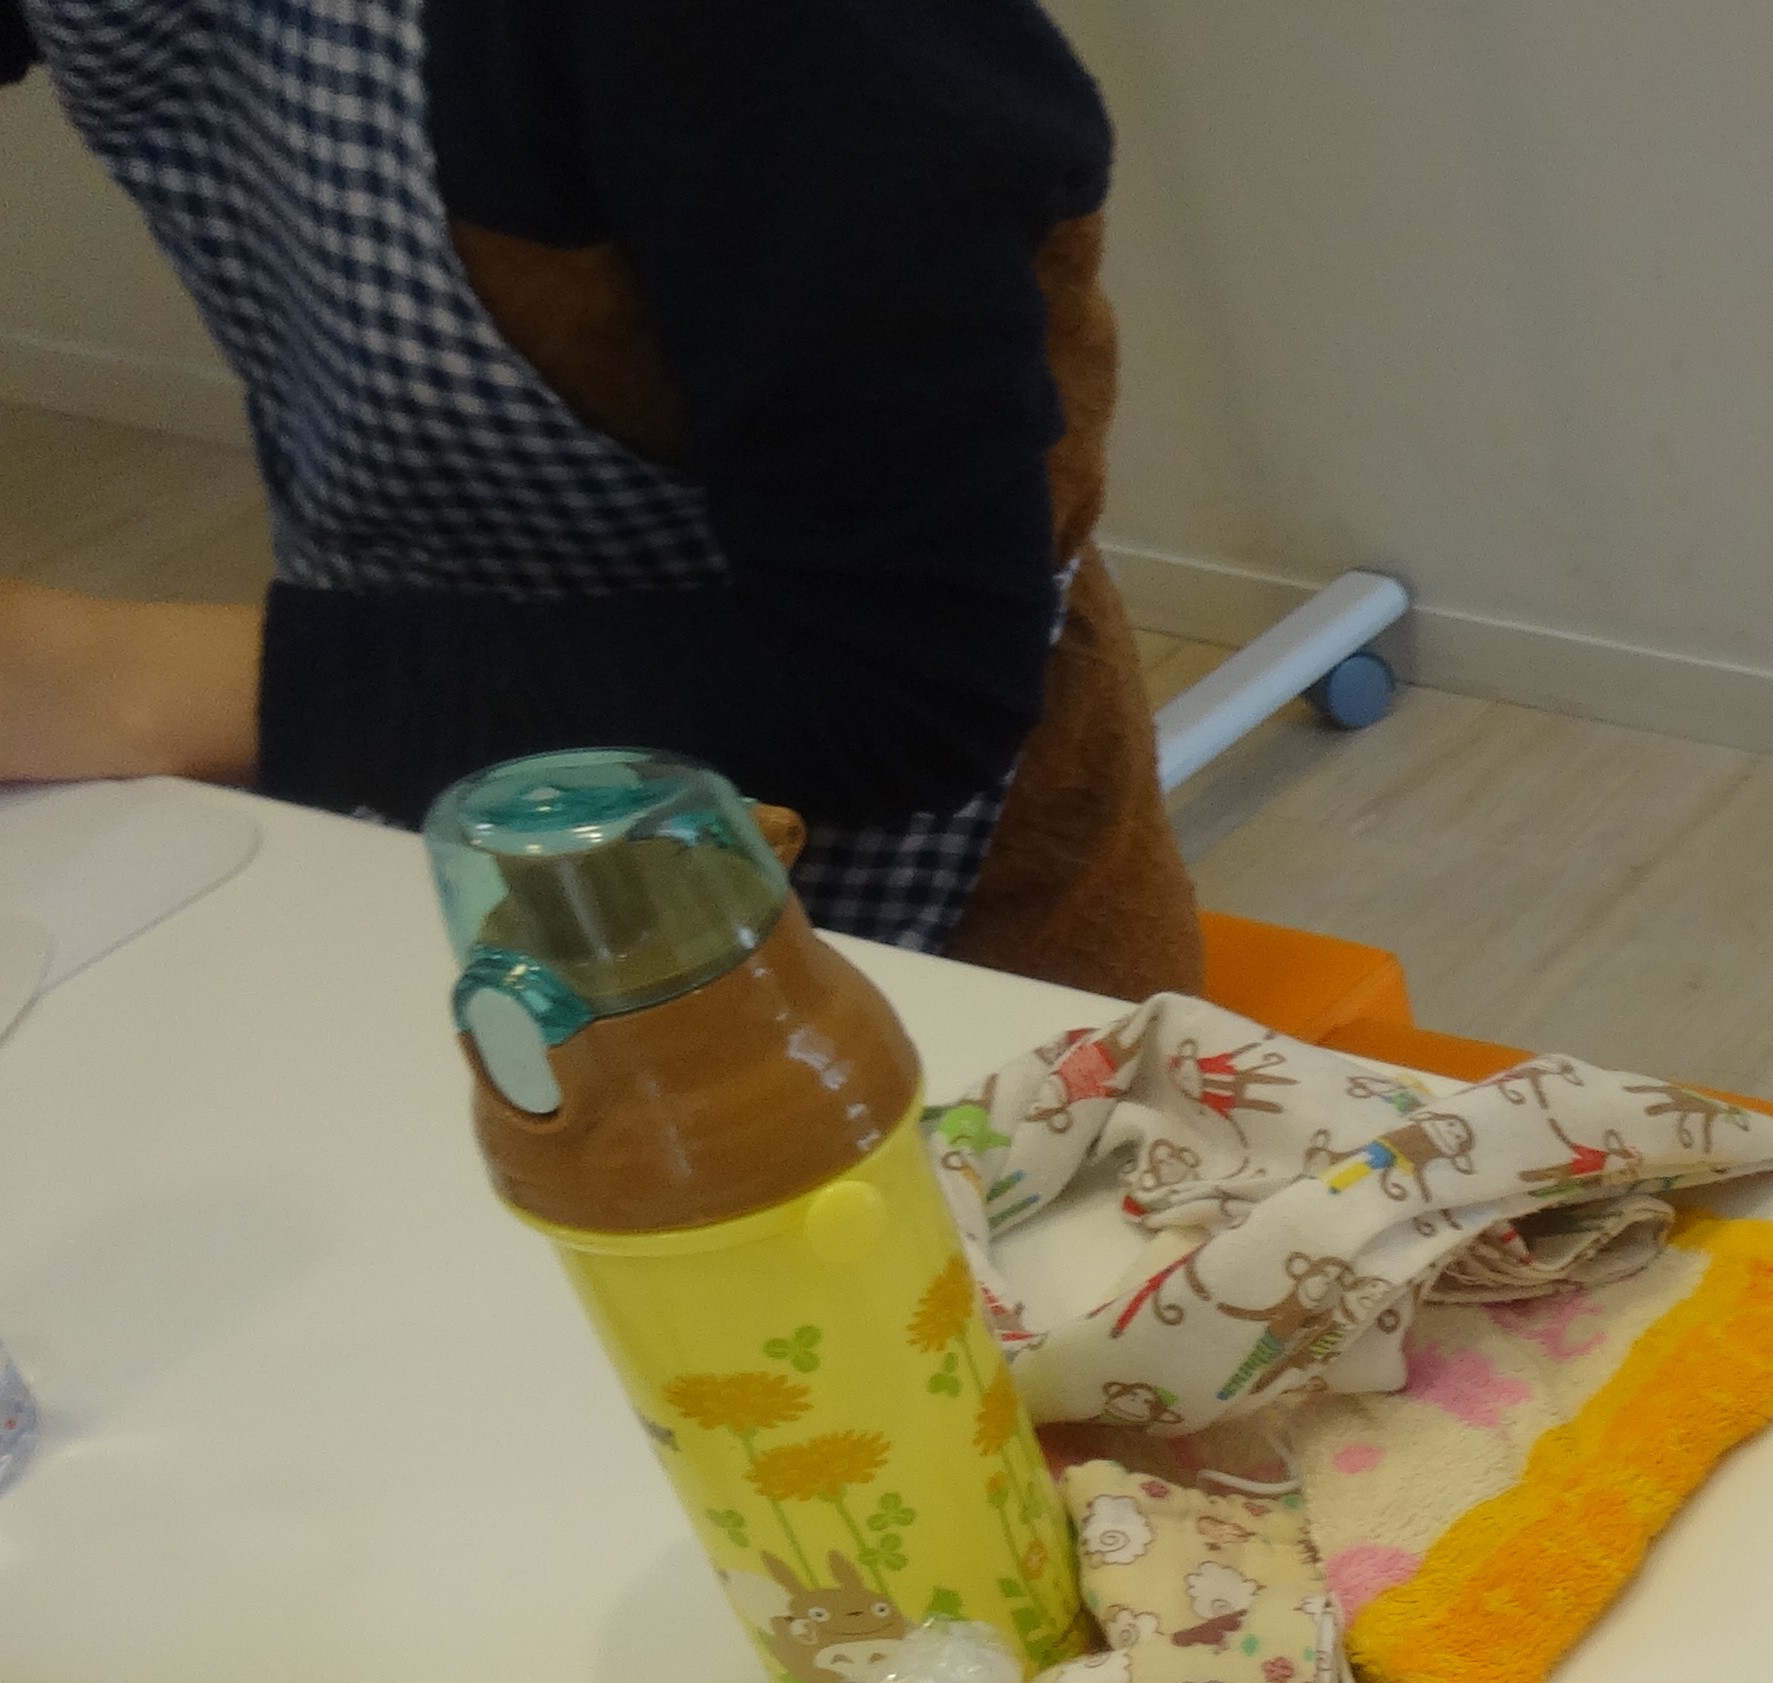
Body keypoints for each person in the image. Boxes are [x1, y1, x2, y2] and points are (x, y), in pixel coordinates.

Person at [0, 0, 1197, 996]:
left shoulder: (786, 40)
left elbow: (901, 693)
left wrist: (117, 679)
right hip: (432, 788)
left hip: (901, 908)